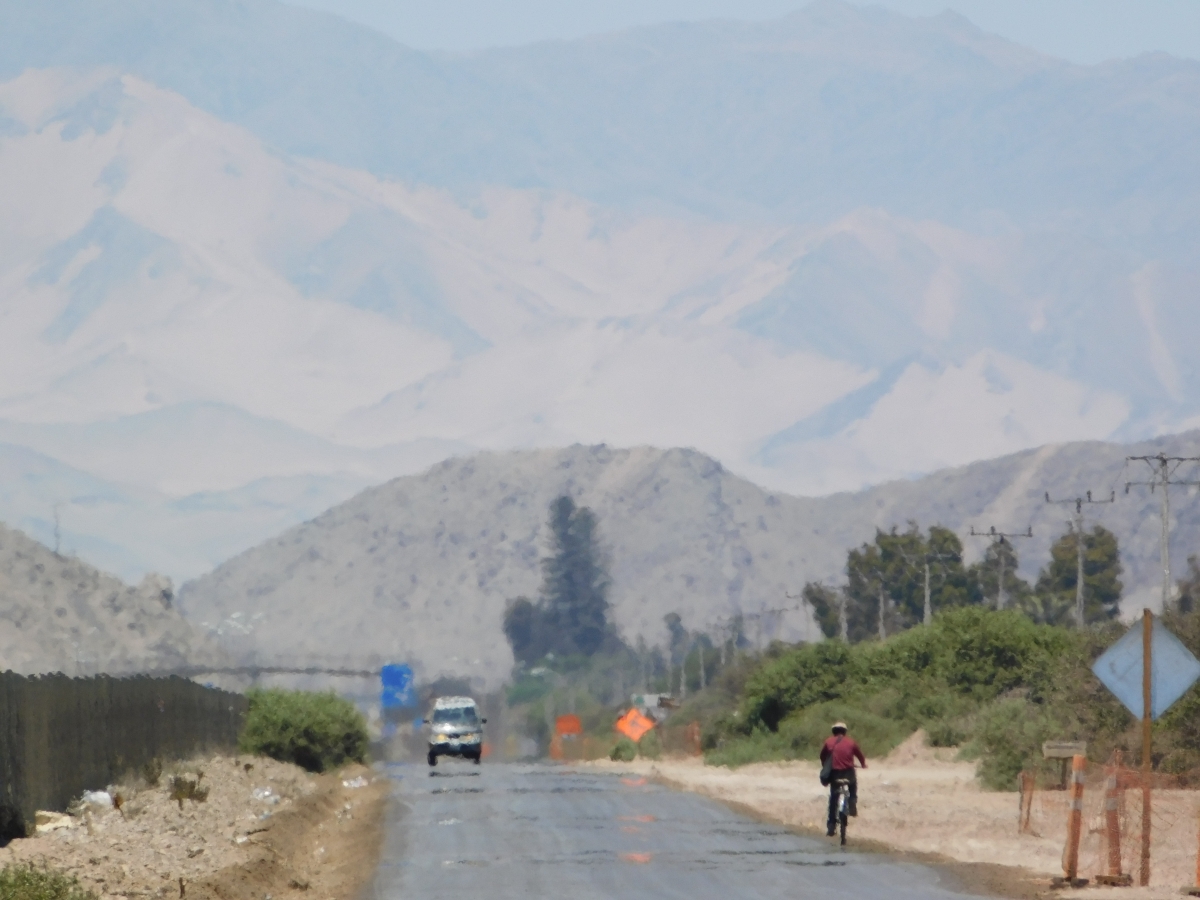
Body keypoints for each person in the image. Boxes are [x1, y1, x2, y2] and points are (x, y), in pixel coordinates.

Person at [820, 721, 866, 836]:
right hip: (848, 773)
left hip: (835, 773)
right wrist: (863, 764)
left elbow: (822, 756)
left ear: (833, 731)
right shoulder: (851, 742)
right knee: (853, 785)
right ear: (845, 732)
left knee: (833, 798)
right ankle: (852, 802)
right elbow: (860, 755)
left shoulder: (828, 742)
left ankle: (831, 826)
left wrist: (825, 765)